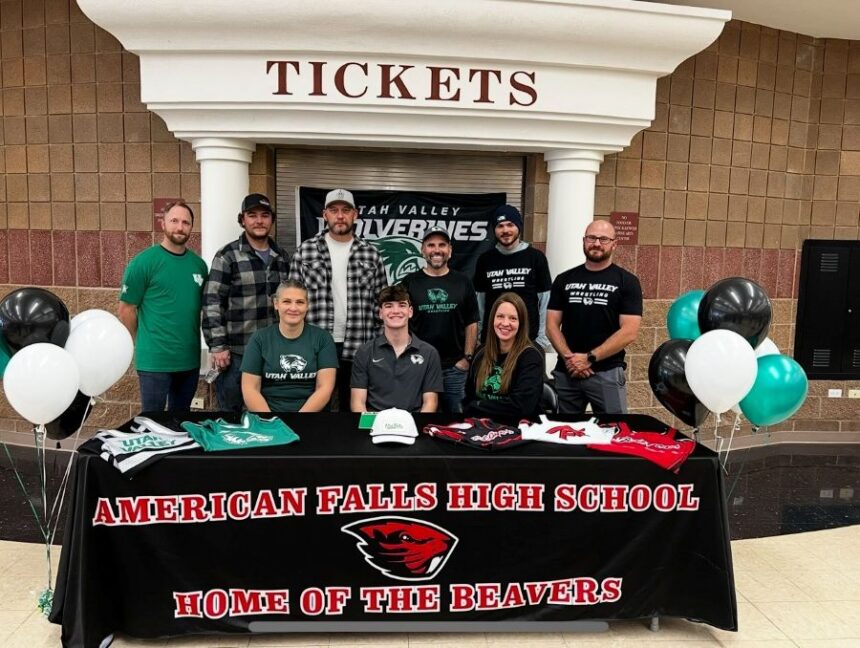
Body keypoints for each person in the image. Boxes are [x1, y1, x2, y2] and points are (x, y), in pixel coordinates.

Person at [289, 188, 387, 409]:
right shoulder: (306, 251)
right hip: (315, 343)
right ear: (325, 215)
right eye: (334, 210)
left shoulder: (370, 253)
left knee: (353, 405)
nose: (340, 216)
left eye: (346, 210)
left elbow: (381, 305)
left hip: (359, 344)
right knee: (315, 404)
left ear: (356, 214)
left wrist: (379, 344)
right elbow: (292, 302)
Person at [202, 193, 291, 412]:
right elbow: (212, 301)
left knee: (269, 413)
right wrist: (218, 346)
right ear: (242, 220)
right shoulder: (227, 256)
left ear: (272, 219)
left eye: (265, 215)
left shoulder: (282, 257)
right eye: (252, 215)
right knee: (231, 415)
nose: (259, 221)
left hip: (274, 352)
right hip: (236, 354)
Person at [118, 200, 207, 412]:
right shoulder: (144, 263)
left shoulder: (199, 266)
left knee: (180, 422)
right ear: (163, 224)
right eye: (174, 221)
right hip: (155, 363)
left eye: (185, 222)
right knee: (152, 424)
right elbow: (126, 309)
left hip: (189, 360)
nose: (180, 227)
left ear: (191, 227)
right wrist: (136, 344)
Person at [546, 219, 643, 414]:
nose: (596, 243)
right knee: (564, 436)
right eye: (591, 238)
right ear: (583, 241)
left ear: (614, 244)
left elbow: (629, 332)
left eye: (603, 239)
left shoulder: (628, 282)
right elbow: (551, 325)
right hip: (568, 372)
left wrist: (590, 358)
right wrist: (571, 360)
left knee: (614, 434)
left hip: (606, 373)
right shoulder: (564, 279)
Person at [401, 225, 479, 413]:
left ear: (450, 250)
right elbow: (400, 323)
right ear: (423, 250)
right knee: (418, 420)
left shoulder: (463, 282)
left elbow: (472, 322)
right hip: (418, 366)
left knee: (456, 422)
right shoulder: (410, 282)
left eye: (442, 245)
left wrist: (467, 359)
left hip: (454, 368)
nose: (436, 250)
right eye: (431, 245)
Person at [241, 280, 338, 412]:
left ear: (307, 305)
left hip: (311, 416)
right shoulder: (259, 339)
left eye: (300, 302)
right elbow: (250, 389)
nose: (293, 308)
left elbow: (325, 388)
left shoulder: (323, 339)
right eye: (287, 301)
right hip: (268, 417)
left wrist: (299, 420)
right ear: (276, 304)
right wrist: (271, 421)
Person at [351, 284, 443, 413]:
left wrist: (414, 428)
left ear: (410, 311)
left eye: (401, 305)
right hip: (375, 423)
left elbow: (430, 402)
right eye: (388, 306)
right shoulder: (364, 352)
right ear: (380, 313)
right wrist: (372, 428)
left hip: (413, 424)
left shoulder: (429, 353)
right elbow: (357, 402)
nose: (395, 311)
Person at [473, 204, 552, 349]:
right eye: (500, 226)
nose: (505, 230)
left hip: (529, 342)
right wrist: (480, 338)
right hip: (493, 342)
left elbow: (545, 301)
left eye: (510, 225)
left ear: (519, 227)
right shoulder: (485, 260)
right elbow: (480, 304)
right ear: (494, 230)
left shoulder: (536, 257)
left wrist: (541, 339)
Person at [463, 292, 544, 419]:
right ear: (492, 320)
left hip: (519, 428)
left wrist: (478, 406)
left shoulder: (531, 357)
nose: (505, 323)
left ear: (521, 323)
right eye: (500, 316)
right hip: (482, 426)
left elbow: (522, 406)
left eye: (513, 318)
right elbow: (469, 397)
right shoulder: (480, 353)